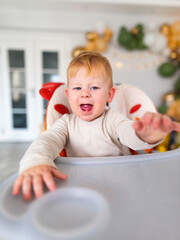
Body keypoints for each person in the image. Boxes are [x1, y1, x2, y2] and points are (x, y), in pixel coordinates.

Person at [13, 51, 180, 200]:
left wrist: (147, 135)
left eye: (94, 87)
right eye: (77, 88)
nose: (85, 93)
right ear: (69, 95)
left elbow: (129, 134)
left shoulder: (113, 119)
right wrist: (36, 161)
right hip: (79, 185)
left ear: (109, 95)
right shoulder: (65, 123)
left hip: (120, 185)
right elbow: (47, 140)